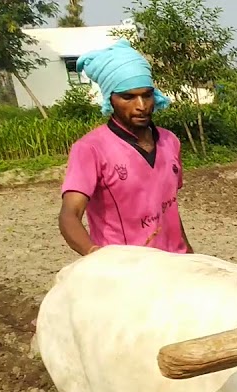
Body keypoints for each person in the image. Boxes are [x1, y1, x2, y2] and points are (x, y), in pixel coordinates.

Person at [58, 39, 194, 256]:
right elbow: (69, 215)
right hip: (127, 272)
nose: (141, 106)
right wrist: (96, 255)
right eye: (128, 97)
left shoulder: (170, 141)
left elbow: (168, 208)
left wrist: (188, 253)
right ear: (110, 99)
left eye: (147, 95)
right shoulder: (91, 149)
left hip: (174, 267)